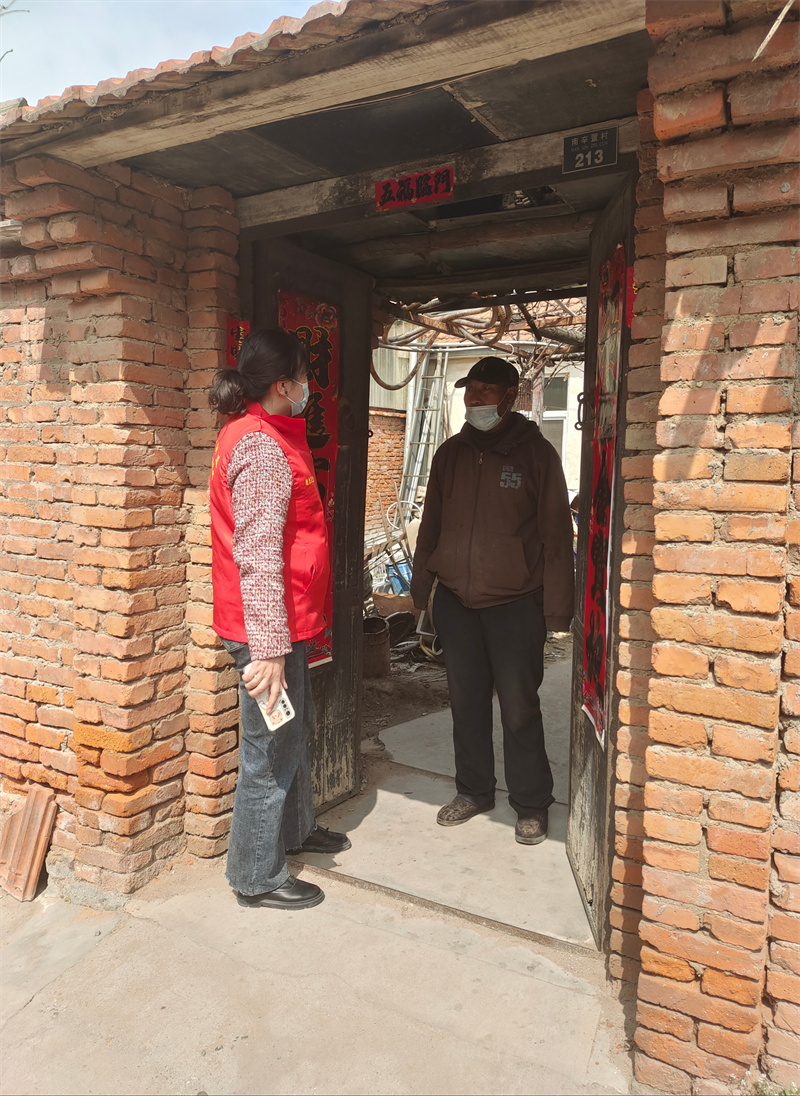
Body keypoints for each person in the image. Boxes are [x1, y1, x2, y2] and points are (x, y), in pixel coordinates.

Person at [208, 328, 351, 910]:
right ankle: (255, 875)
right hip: (265, 630)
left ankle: (294, 831)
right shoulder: (262, 449)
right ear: (284, 385)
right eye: (305, 377)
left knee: (291, 734)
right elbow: (260, 553)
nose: (310, 387)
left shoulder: (255, 433)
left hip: (282, 623)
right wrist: (267, 651)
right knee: (267, 753)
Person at [410, 357, 574, 845]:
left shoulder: (536, 455)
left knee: (520, 708)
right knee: (466, 704)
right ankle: (474, 790)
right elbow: (431, 525)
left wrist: (556, 611)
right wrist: (422, 589)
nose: (475, 399)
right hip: (457, 603)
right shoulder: (450, 455)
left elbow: (556, 536)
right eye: (470, 390)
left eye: (485, 391)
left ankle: (531, 802)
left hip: (516, 605)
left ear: (509, 396)